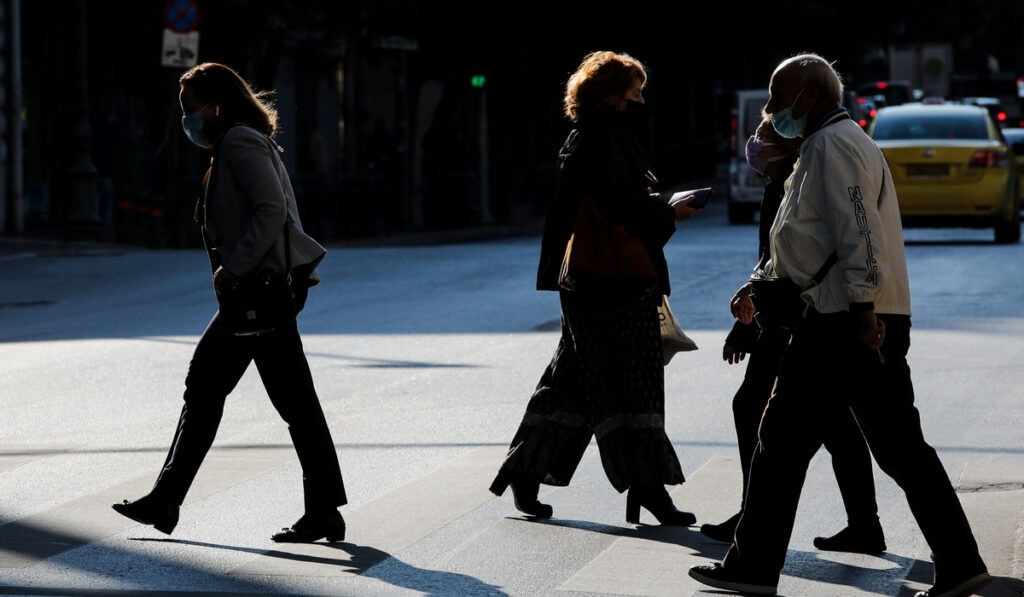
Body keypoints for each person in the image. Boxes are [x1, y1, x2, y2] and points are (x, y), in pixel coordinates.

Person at [688, 53, 990, 597]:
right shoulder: (826, 144)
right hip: (845, 317)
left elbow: (860, 232)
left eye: (781, 98)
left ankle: (753, 567)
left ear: (812, 94)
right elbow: (811, 237)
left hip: (842, 322)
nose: (775, 110)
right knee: (894, 449)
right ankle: (961, 563)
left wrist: (863, 308)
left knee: (784, 442)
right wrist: (762, 283)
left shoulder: (833, 145)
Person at [111, 62, 348, 544]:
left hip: (256, 291)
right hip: (261, 291)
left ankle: (168, 499)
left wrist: (235, 265)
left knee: (213, 389)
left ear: (216, 105)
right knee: (279, 400)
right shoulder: (237, 141)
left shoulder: (239, 142)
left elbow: (270, 209)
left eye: (190, 110)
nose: (187, 120)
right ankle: (319, 509)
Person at [489, 50, 702, 524]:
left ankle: (527, 471)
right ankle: (649, 488)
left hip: (587, 283)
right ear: (612, 92)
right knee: (633, 383)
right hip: (613, 284)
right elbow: (621, 207)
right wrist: (671, 211)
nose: (639, 98)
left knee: (574, 383)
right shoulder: (605, 136)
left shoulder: (583, 135)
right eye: (634, 88)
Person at [699, 116, 886, 556]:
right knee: (837, 423)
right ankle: (862, 523)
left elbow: (823, 250)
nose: (755, 147)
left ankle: (754, 534)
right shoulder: (783, 182)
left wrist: (861, 308)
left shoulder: (802, 178)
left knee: (764, 413)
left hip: (805, 313)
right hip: (793, 309)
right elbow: (773, 259)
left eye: (765, 139)